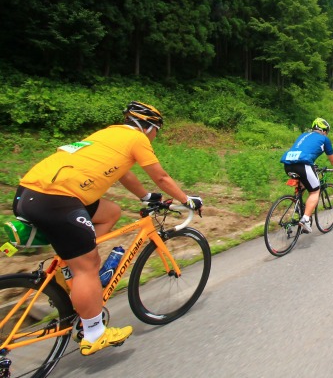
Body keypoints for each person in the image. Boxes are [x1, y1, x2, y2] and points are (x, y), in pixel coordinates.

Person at [13, 101, 203, 357]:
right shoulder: (137, 138)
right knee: (87, 267)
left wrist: (146, 196)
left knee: (110, 213)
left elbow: (124, 173)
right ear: (148, 127)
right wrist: (186, 200)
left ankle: (73, 270)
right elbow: (162, 177)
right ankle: (93, 332)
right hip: (57, 200)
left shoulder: (107, 134)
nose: (156, 136)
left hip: (28, 194)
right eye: (157, 130)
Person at [280, 118, 333, 233]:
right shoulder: (324, 139)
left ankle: (299, 207)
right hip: (303, 165)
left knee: (303, 185)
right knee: (315, 191)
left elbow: (304, 150)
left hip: (288, 164)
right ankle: (305, 219)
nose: (326, 133)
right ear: (324, 130)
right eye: (327, 131)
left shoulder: (303, 135)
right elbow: (332, 159)